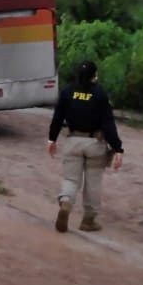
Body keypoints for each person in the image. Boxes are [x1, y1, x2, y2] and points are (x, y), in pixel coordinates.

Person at [47, 60, 125, 233]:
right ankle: (88, 220)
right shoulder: (99, 94)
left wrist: (51, 139)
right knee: (93, 183)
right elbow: (108, 124)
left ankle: (66, 202)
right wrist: (118, 148)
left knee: (70, 180)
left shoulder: (67, 92)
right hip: (94, 144)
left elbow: (57, 117)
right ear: (94, 76)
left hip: (72, 141)